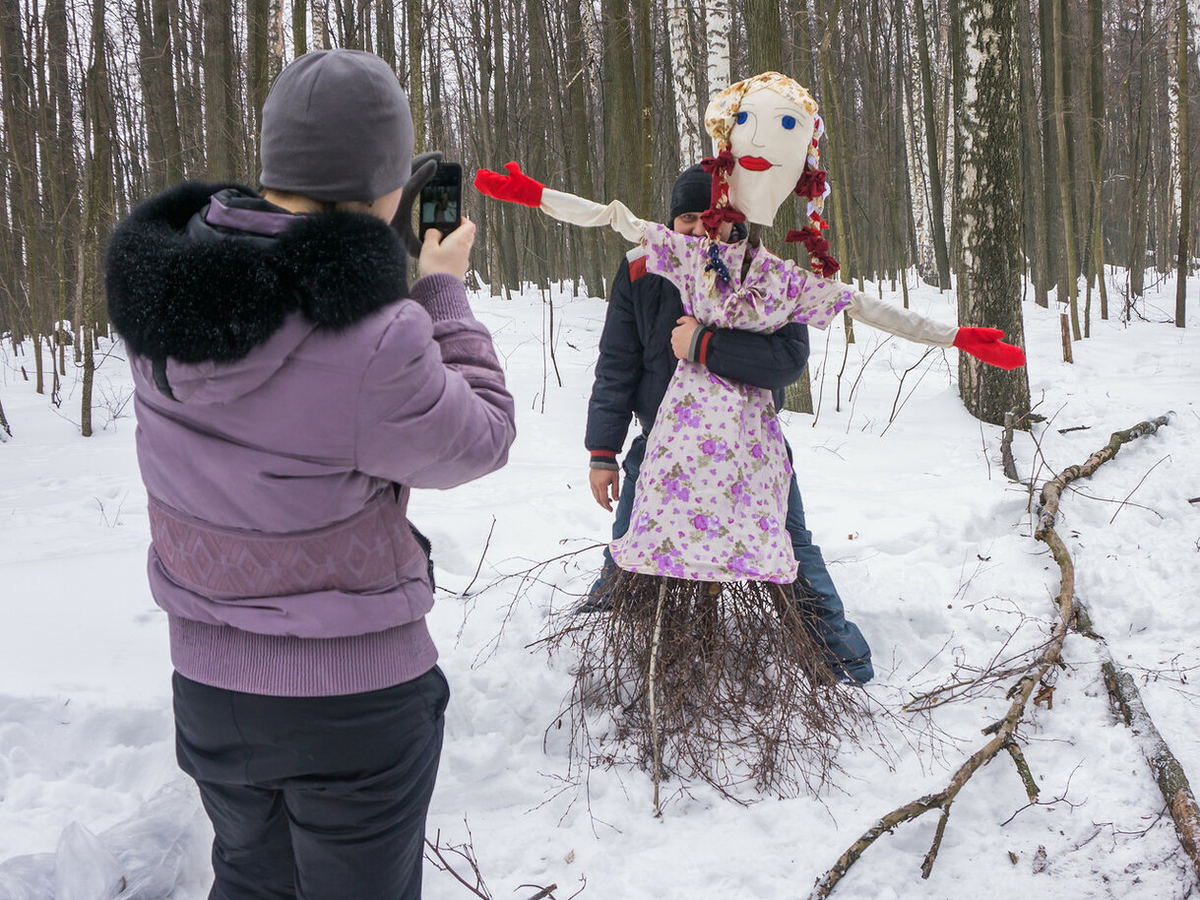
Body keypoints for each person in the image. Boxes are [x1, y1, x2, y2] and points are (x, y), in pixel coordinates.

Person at [105, 50, 516, 900]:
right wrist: (442, 292)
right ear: (386, 184)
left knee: (252, 884)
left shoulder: (163, 300)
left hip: (210, 690)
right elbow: (481, 436)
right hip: (350, 702)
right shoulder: (378, 337)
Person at [581, 163, 874, 684]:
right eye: (686, 218)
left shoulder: (764, 275)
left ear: (732, 219)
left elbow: (787, 361)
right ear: (671, 222)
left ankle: (841, 658)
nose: (698, 229)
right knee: (631, 537)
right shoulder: (641, 268)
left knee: (790, 543)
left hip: (749, 445)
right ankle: (609, 632)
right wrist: (603, 451)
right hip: (662, 441)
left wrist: (705, 345)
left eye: (710, 217)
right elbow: (617, 365)